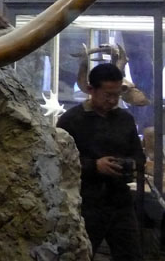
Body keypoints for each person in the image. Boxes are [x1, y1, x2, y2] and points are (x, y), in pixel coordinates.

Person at [57, 62, 145, 260]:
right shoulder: (71, 121)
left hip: (120, 203)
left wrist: (129, 164)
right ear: (91, 90)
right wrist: (95, 166)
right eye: (108, 95)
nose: (113, 100)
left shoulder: (125, 119)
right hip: (86, 205)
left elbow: (139, 156)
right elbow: (60, 162)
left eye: (117, 95)